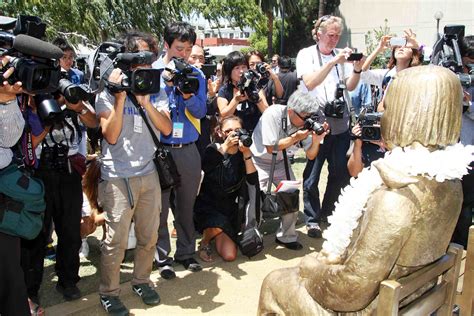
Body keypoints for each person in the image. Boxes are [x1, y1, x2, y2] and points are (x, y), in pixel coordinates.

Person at [258, 65, 473, 315]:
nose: (381, 113)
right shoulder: (449, 181)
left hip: (370, 306)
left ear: (408, 114)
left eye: (388, 107)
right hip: (413, 296)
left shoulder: (396, 197)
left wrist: (310, 268)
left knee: (274, 281)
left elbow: (349, 291)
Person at [95, 31, 172, 315]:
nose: (146, 64)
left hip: (148, 171)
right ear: (127, 60)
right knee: (114, 241)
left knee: (149, 235)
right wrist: (118, 97)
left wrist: (146, 102)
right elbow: (111, 136)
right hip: (117, 176)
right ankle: (109, 293)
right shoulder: (108, 89)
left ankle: (141, 280)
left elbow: (165, 129)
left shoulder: (155, 88)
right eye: (140, 58)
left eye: (150, 59)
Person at [296, 15, 363, 238]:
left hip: (340, 121)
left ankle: (328, 212)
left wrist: (356, 69)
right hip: (317, 118)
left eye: (337, 36)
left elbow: (350, 88)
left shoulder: (340, 57)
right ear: (319, 34)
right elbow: (310, 82)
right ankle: (312, 219)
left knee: (339, 172)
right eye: (331, 35)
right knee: (313, 174)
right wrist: (333, 62)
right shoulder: (306, 54)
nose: (335, 40)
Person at [152, 22, 207, 280]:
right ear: (167, 45)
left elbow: (200, 112)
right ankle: (162, 258)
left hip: (187, 149)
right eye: (178, 48)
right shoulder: (150, 72)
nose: (183, 54)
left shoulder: (197, 75)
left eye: (187, 49)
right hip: (158, 149)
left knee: (186, 205)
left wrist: (187, 95)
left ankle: (185, 253)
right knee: (160, 208)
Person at [250, 90, 329, 250]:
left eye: (310, 116)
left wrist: (316, 140)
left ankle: (286, 236)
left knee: (291, 196)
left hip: (280, 161)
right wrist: (296, 137)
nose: (308, 120)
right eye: (305, 116)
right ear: (292, 111)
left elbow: (311, 155)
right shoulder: (272, 113)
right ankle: (251, 236)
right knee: (254, 201)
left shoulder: (304, 122)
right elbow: (271, 146)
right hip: (258, 161)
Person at [194, 116, 259, 262]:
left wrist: (247, 154)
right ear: (221, 133)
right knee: (217, 225)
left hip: (231, 208)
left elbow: (252, 181)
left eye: (237, 130)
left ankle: (216, 233)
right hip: (208, 206)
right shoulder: (214, 149)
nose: (233, 134)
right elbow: (206, 166)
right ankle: (204, 241)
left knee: (230, 255)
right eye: (228, 131)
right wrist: (225, 147)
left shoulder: (244, 153)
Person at [0, 55, 30, 316]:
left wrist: (6, 99)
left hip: (3, 187)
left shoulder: (5, 91)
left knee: (10, 272)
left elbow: (10, 138)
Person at [360, 30, 422, 111]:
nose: (401, 48)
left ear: (412, 54)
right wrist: (379, 48)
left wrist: (417, 46)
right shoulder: (386, 75)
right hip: (387, 120)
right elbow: (364, 74)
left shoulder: (417, 75)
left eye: (406, 46)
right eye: (398, 46)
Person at [217, 51, 268, 133]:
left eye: (244, 67)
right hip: (235, 135)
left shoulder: (255, 86)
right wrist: (236, 100)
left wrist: (256, 98)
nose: (241, 71)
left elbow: (267, 112)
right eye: (237, 68)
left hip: (256, 133)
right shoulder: (225, 90)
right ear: (229, 71)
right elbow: (224, 115)